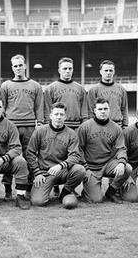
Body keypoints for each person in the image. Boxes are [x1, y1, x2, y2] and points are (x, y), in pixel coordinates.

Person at [0, 54, 44, 199]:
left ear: (25, 66)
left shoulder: (35, 86)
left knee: (30, 157)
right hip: (11, 126)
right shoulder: (5, 85)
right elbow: (2, 107)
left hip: (29, 126)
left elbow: (39, 107)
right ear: (12, 68)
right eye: (15, 66)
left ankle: (28, 187)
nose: (18, 68)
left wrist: (40, 123)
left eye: (20, 65)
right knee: (9, 157)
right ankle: (7, 189)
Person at [27, 102, 86, 207]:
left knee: (80, 170)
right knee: (38, 202)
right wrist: (37, 173)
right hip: (45, 173)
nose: (59, 117)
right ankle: (42, 190)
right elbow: (30, 153)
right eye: (56, 114)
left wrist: (61, 166)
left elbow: (75, 156)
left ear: (65, 117)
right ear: (50, 116)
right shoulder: (40, 131)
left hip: (63, 171)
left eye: (61, 115)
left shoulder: (71, 134)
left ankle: (65, 192)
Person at [44, 57, 88, 197]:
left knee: (75, 158)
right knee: (56, 156)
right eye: (65, 68)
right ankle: (55, 184)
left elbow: (85, 112)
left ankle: (71, 187)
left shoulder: (80, 89)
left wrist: (83, 126)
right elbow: (47, 111)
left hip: (75, 127)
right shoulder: (51, 88)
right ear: (59, 70)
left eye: (70, 68)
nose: (67, 71)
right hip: (57, 127)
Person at [78, 98, 130, 204]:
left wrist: (121, 162)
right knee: (96, 200)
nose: (103, 111)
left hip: (107, 164)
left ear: (109, 110)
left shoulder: (116, 128)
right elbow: (79, 149)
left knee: (127, 168)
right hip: (91, 167)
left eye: (105, 108)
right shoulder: (85, 127)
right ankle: (88, 188)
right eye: (100, 109)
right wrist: (85, 168)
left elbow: (121, 148)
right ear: (94, 111)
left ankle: (111, 192)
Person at [87, 60, 128, 129]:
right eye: (106, 70)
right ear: (100, 72)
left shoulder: (121, 89)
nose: (108, 73)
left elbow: (124, 109)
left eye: (110, 70)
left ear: (114, 72)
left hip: (118, 126)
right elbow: (90, 111)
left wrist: (125, 126)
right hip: (100, 126)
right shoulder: (93, 90)